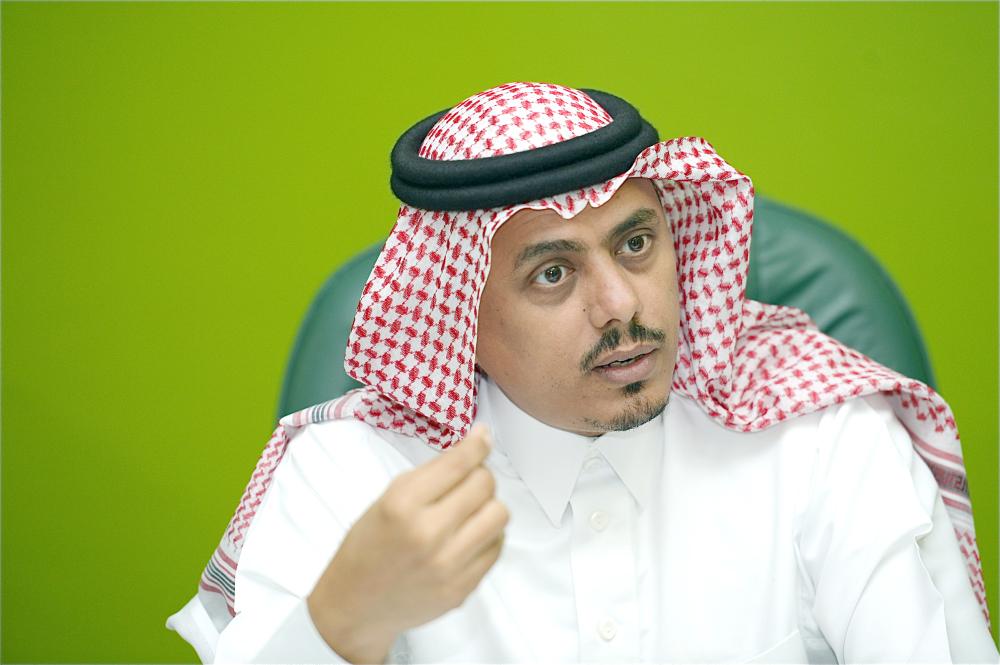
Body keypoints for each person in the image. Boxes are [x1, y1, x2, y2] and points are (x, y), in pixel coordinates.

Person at [167, 82, 998, 663]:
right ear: (461, 312)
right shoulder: (352, 476)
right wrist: (342, 621)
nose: (620, 304)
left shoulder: (823, 435)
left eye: (636, 243)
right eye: (553, 273)